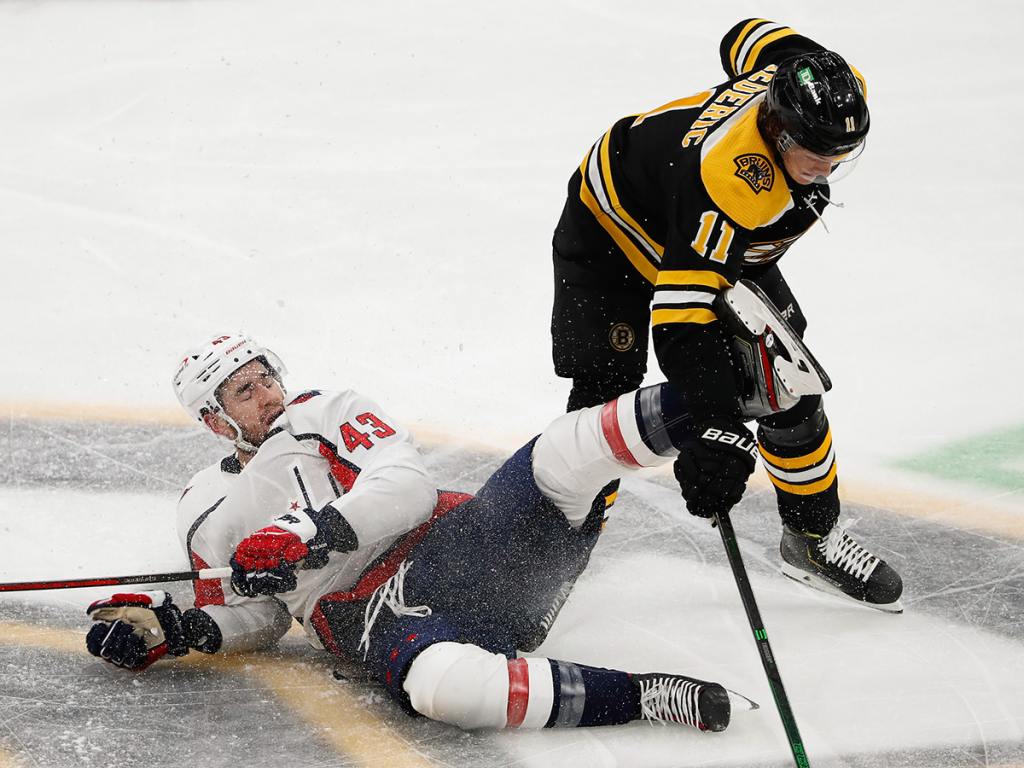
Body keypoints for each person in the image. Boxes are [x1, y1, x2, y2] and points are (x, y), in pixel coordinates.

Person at [85, 332, 765, 732]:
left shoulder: (326, 411)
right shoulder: (204, 512)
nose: (267, 394)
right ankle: (641, 696)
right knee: (444, 690)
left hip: (468, 547)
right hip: (373, 621)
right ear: (213, 420)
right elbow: (256, 612)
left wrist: (318, 528)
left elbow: (407, 486)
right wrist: (181, 630)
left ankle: (720, 396)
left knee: (560, 450)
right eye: (243, 390)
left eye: (266, 376)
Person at [548, 18, 902, 610]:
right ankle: (550, 561)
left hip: (717, 242)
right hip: (613, 234)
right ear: (779, 133)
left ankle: (812, 538)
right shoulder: (731, 181)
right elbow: (682, 322)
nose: (828, 172)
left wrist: (720, 423)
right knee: (603, 401)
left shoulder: (822, 87)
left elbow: (745, 35)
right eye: (816, 158)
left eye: (841, 157)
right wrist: (715, 429)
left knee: (784, 378)